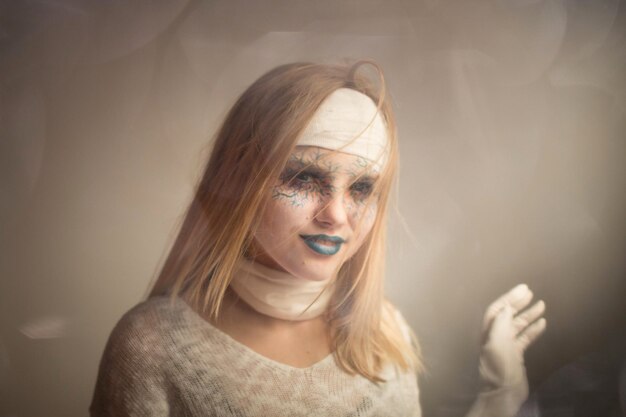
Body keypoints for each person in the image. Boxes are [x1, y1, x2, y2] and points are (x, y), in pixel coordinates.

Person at [89, 61, 547, 416]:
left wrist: (501, 394)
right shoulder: (151, 346)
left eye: (362, 188)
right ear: (240, 182)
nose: (336, 214)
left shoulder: (385, 332)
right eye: (306, 177)